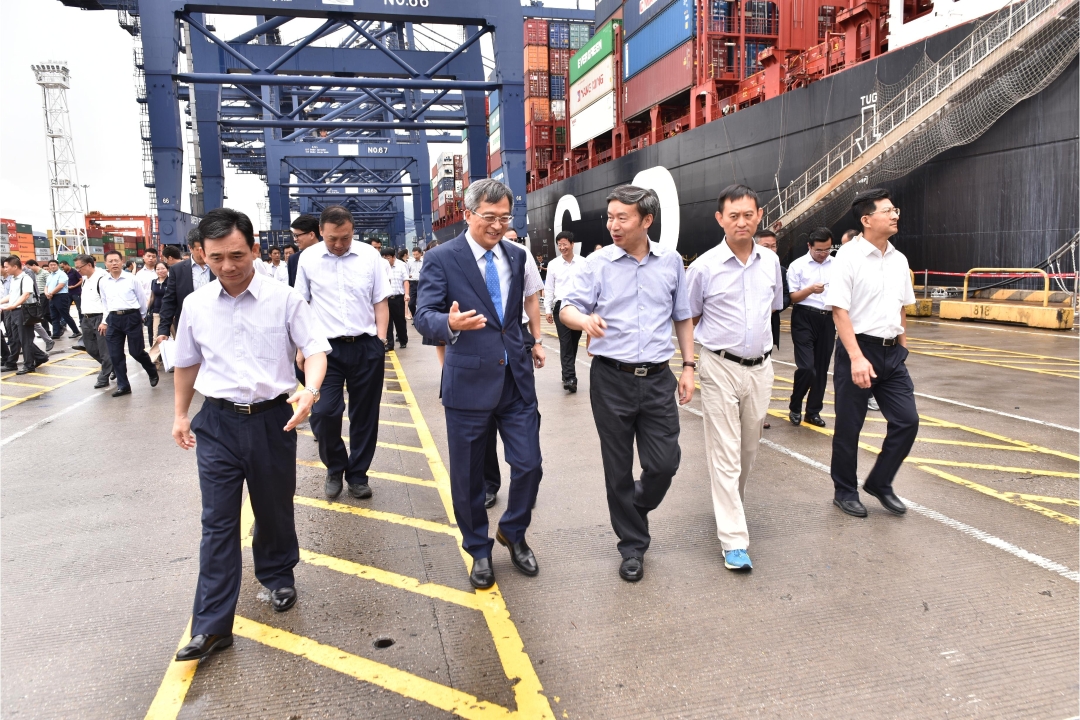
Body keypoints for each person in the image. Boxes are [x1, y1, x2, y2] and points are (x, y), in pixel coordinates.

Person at [171, 207, 329, 662]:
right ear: (203, 255)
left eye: (237, 255)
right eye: (216, 257)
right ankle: (212, 625)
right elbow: (186, 364)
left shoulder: (284, 300)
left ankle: (278, 575)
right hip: (217, 422)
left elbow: (315, 350)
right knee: (217, 521)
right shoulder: (196, 306)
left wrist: (310, 393)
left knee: (273, 507)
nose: (227, 266)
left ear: (255, 249)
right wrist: (181, 415)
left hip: (271, 421)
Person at [559, 185, 696, 583]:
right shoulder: (596, 264)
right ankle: (632, 545)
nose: (613, 225)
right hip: (610, 379)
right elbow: (566, 307)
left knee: (664, 463)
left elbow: (682, 317)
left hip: (657, 379)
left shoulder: (670, 262)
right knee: (617, 467)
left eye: (623, 217)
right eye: (610, 217)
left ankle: (634, 506)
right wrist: (583, 320)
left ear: (646, 220)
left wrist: (688, 366)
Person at [414, 179, 546, 589]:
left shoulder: (517, 255)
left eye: (504, 217)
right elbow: (423, 315)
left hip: (515, 380)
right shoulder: (441, 259)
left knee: (529, 465)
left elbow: (520, 310)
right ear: (468, 214)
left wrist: (534, 343)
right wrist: (448, 323)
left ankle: (513, 531)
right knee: (469, 477)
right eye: (489, 217)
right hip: (468, 382)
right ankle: (479, 549)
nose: (497, 225)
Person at [687, 184, 784, 573]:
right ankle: (733, 540)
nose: (741, 222)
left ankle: (731, 507)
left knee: (747, 450)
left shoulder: (772, 262)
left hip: (761, 368)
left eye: (748, 215)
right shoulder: (704, 268)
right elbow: (688, 319)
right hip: (719, 366)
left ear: (759, 215)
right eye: (733, 216)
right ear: (720, 219)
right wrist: (689, 366)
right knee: (724, 453)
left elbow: (773, 309)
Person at [826, 188, 918, 518]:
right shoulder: (847, 258)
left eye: (895, 209)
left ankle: (880, 482)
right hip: (858, 348)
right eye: (887, 210)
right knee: (850, 427)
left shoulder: (899, 259)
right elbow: (839, 311)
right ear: (867, 220)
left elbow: (903, 307)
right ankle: (845, 490)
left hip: (892, 354)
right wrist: (855, 357)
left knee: (908, 421)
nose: (895, 215)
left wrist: (902, 348)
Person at [295, 205, 391, 501]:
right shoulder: (307, 258)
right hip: (324, 350)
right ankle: (335, 467)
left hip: (365, 346)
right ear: (320, 232)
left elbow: (380, 302)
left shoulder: (370, 256)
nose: (339, 244)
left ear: (353, 232)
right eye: (333, 239)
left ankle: (358, 475)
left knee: (365, 415)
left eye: (345, 238)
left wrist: (381, 342)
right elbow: (300, 304)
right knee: (324, 413)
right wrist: (301, 348)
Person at [484, 226, 546, 509]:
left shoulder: (522, 256)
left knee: (525, 416)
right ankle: (488, 485)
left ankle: (525, 482)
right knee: (484, 426)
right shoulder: (460, 259)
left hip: (517, 339)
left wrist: (537, 341)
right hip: (480, 344)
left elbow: (532, 299)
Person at [787, 227, 836, 428]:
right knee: (807, 367)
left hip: (828, 318)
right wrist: (809, 290)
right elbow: (792, 297)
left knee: (822, 368)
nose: (824, 254)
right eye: (819, 250)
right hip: (804, 317)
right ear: (809, 246)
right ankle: (795, 405)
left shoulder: (838, 265)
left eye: (827, 249)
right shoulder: (797, 266)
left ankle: (813, 411)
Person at [99, 249, 159, 397]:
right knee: (115, 354)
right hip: (113, 319)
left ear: (121, 261)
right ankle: (123, 385)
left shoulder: (132, 279)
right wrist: (104, 321)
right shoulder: (103, 282)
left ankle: (151, 370)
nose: (114, 263)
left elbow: (142, 300)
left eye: (116, 260)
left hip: (131, 317)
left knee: (136, 351)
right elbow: (105, 303)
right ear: (106, 263)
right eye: (110, 261)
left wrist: (142, 317)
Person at [156, 229, 215, 345]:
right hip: (188, 325)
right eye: (199, 249)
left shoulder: (218, 267)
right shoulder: (177, 270)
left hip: (216, 324)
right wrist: (163, 329)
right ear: (190, 248)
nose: (204, 252)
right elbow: (169, 300)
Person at [544, 231, 583, 393]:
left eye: (565, 244)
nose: (562, 247)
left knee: (573, 342)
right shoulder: (553, 264)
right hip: (560, 307)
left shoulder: (583, 263)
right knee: (565, 342)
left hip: (579, 307)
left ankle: (566, 372)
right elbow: (549, 288)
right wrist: (547, 309)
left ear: (572, 244)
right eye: (559, 244)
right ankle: (570, 378)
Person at [0, 256, 50, 374]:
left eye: (7, 267)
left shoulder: (25, 278)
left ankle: (29, 365)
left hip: (23, 311)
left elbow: (26, 295)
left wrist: (13, 305)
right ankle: (37, 357)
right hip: (14, 312)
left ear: (15, 266)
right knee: (15, 339)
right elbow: (11, 296)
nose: (5, 269)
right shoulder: (14, 279)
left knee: (25, 340)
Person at [74, 254, 114, 388]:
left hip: (100, 318)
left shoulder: (102, 278)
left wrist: (105, 321)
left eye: (80, 267)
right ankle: (113, 366)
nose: (78, 271)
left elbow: (108, 302)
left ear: (89, 265)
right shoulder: (85, 279)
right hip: (86, 319)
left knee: (104, 351)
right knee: (90, 348)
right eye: (76, 268)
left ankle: (103, 377)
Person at [382, 245, 409, 350]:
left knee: (400, 321)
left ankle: (403, 340)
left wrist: (406, 294)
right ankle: (389, 344)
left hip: (397, 298)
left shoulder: (401, 265)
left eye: (387, 257)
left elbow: (405, 280)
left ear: (393, 257)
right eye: (383, 257)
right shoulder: (381, 267)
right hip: (385, 299)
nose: (385, 260)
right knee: (387, 323)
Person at [45, 259, 80, 339]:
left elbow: (61, 286)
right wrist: (47, 293)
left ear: (57, 266)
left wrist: (51, 293)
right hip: (52, 297)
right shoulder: (50, 275)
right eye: (51, 265)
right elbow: (46, 286)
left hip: (61, 296)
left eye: (54, 264)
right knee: (54, 316)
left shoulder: (62, 274)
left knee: (65, 315)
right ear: (49, 266)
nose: (53, 266)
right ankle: (56, 333)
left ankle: (76, 331)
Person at [288, 215, 320, 287]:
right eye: (294, 236)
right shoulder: (293, 259)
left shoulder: (331, 255)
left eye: (297, 235)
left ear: (311, 235)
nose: (295, 239)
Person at [406, 247, 423, 319]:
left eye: (417, 255)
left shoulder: (424, 261)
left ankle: (420, 318)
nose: (415, 256)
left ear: (421, 254)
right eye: (414, 255)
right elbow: (406, 271)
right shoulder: (409, 262)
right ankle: (415, 316)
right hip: (412, 283)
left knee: (421, 302)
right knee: (411, 303)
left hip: (421, 282)